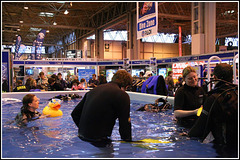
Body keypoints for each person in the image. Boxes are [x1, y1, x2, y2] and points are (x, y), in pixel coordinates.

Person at [71, 70, 133, 147]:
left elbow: (75, 114)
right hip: (100, 141)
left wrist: (86, 131)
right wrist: (128, 145)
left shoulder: (93, 91)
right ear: (126, 86)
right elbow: (124, 125)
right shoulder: (122, 95)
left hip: (82, 136)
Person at [188, 63, 238, 157]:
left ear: (214, 78)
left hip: (224, 148)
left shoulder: (214, 98)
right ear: (232, 77)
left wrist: (186, 135)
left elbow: (200, 128)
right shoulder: (237, 93)